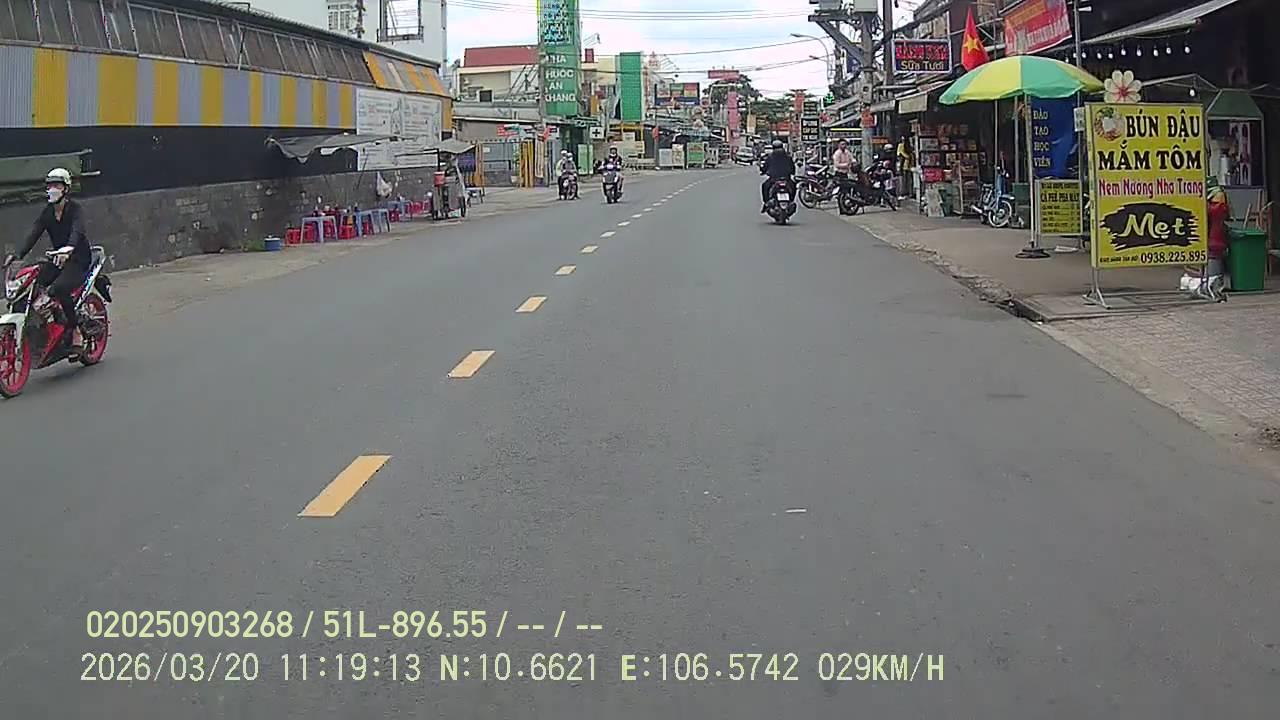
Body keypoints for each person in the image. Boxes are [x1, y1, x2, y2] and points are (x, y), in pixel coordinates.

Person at [3, 168, 91, 351]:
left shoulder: (75, 210)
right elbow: (34, 232)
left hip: (78, 260)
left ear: (66, 189)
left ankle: (75, 330)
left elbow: (77, 231)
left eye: (57, 185)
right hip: (57, 260)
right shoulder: (48, 212)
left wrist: (69, 249)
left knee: (59, 288)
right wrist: (17, 254)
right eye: (50, 186)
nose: (52, 189)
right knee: (32, 281)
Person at [759, 139, 796, 213]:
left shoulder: (770, 157)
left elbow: (765, 167)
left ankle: (766, 203)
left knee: (764, 186)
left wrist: (763, 171)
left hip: (774, 179)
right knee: (793, 186)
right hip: (786, 179)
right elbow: (792, 169)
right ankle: (791, 201)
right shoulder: (788, 157)